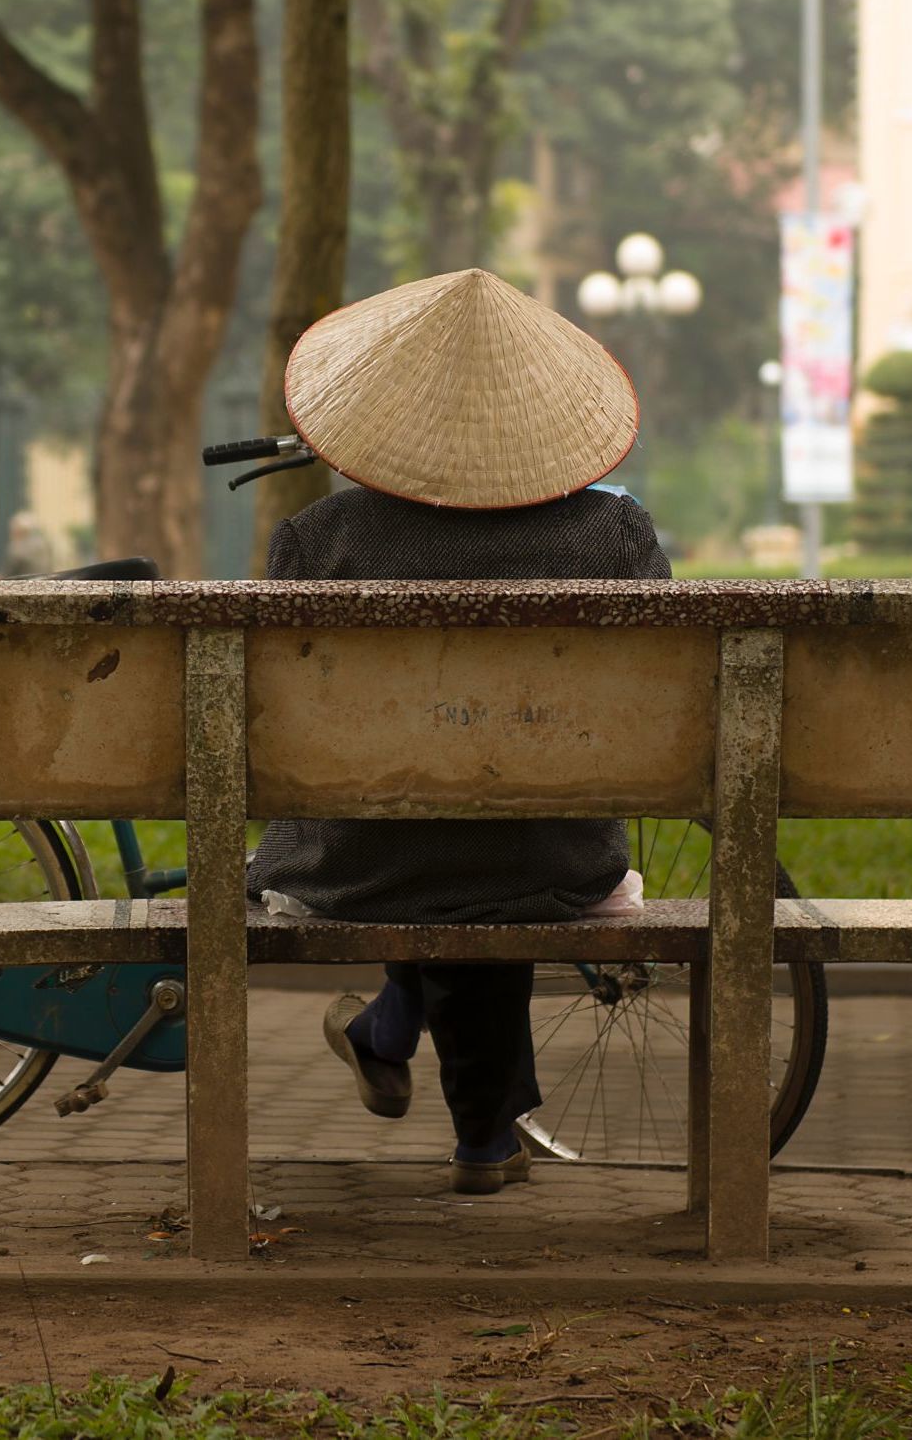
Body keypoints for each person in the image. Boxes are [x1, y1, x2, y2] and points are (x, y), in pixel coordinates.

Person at [246, 267, 667, 1194]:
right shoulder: (613, 540)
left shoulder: (318, 540)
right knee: (489, 831)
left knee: (427, 820)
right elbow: (673, 696)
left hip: (360, 862)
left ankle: (396, 1034)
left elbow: (273, 720)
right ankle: (469, 1121)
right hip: (555, 858)